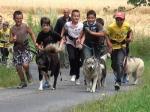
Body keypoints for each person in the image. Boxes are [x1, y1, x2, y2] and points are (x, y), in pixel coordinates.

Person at [10, 10, 37, 89]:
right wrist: (13, 40)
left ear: (22, 18)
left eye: (20, 18)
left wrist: (35, 43)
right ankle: (23, 82)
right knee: (18, 67)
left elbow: (32, 34)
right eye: (17, 18)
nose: (19, 20)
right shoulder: (12, 29)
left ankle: (28, 73)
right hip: (16, 49)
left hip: (25, 48)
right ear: (14, 19)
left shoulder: (25, 26)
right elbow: (10, 40)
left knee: (25, 65)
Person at [106, 11, 133, 90]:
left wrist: (130, 38)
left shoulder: (127, 25)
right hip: (114, 46)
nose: (119, 21)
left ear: (123, 19)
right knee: (114, 65)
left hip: (122, 46)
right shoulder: (111, 27)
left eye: (121, 19)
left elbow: (130, 31)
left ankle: (118, 82)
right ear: (115, 19)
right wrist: (109, 44)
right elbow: (106, 35)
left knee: (119, 63)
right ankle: (118, 72)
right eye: (117, 19)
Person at [36, 17, 62, 90]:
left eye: (47, 25)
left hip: (54, 51)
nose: (45, 27)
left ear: (49, 25)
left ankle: (53, 80)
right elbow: (37, 43)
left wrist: (59, 47)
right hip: (45, 51)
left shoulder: (53, 33)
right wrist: (39, 47)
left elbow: (61, 39)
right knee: (42, 65)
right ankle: (46, 81)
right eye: (44, 25)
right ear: (41, 26)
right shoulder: (41, 34)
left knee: (55, 64)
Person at [60, 9, 83, 85]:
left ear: (79, 17)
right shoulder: (67, 24)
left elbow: (83, 33)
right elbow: (63, 29)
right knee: (71, 57)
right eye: (74, 16)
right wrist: (62, 36)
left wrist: (80, 39)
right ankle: (73, 73)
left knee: (77, 60)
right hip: (70, 42)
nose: (76, 17)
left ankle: (77, 77)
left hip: (78, 43)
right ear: (71, 16)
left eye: (77, 16)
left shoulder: (81, 25)